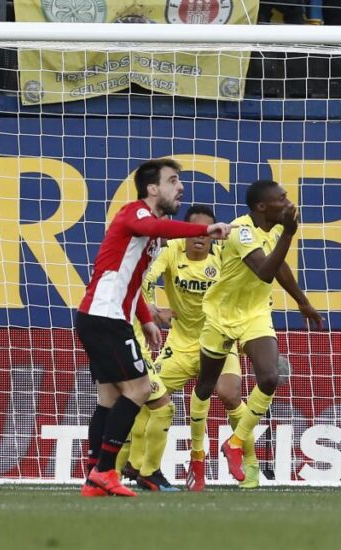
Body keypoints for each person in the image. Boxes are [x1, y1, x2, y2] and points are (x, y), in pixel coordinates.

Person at [76, 158, 234, 497]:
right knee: (141, 390)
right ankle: (105, 470)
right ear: (152, 189)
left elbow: (132, 278)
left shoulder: (145, 230)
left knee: (109, 398)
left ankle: (94, 476)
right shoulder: (135, 213)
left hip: (101, 317)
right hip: (105, 319)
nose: (181, 187)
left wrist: (146, 319)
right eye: (173, 180)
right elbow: (160, 231)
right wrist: (205, 229)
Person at [187, 179, 323, 490]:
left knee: (270, 377)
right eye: (282, 198)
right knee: (206, 386)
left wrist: (302, 301)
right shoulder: (239, 230)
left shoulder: (274, 228)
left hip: (256, 314)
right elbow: (264, 270)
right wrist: (289, 234)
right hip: (221, 315)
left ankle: (235, 443)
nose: (289, 203)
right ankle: (197, 456)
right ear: (262, 206)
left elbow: (279, 267)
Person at [118, 204, 260, 491]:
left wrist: (244, 334)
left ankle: (251, 463)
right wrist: (151, 309)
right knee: (146, 395)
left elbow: (249, 292)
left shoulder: (224, 257)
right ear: (185, 233)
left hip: (219, 339)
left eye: (206, 232)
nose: (200, 238)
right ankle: (133, 464)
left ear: (213, 236)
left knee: (229, 394)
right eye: (195, 230)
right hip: (181, 345)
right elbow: (144, 279)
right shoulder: (171, 252)